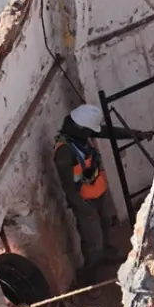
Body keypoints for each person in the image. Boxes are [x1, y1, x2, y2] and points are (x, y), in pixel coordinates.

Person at [53, 104, 113, 281]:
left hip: (98, 193)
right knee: (93, 242)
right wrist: (87, 210)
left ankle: (106, 254)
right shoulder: (64, 152)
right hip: (84, 202)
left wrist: (136, 133)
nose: (91, 134)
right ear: (79, 127)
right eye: (89, 131)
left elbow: (108, 132)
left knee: (105, 224)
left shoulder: (80, 135)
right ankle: (91, 278)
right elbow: (69, 189)